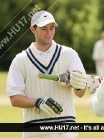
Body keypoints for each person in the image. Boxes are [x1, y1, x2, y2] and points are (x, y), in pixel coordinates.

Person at [6, 10, 87, 138]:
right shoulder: (20, 60)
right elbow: (15, 99)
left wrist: (79, 84)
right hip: (35, 131)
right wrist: (38, 102)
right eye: (44, 28)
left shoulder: (69, 54)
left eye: (52, 28)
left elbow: (80, 93)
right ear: (33, 29)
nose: (49, 33)